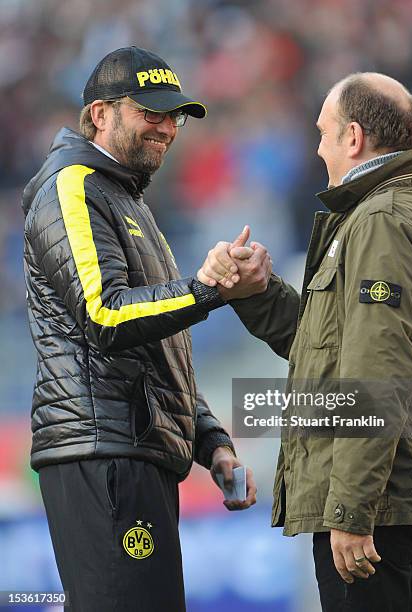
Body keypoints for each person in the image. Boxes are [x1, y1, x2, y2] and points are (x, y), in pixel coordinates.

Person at [198, 73, 412, 611]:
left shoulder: (381, 221)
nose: (317, 146)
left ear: (353, 137)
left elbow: (376, 369)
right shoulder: (387, 215)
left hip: (381, 505)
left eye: (322, 132)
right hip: (392, 498)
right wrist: (257, 293)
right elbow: (324, 348)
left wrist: (350, 511)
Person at [22, 46, 259, 612]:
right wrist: (205, 288)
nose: (168, 127)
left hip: (129, 451)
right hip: (102, 450)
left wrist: (212, 443)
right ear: (99, 114)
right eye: (149, 112)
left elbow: (155, 350)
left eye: (173, 115)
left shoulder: (124, 198)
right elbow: (105, 314)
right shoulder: (73, 185)